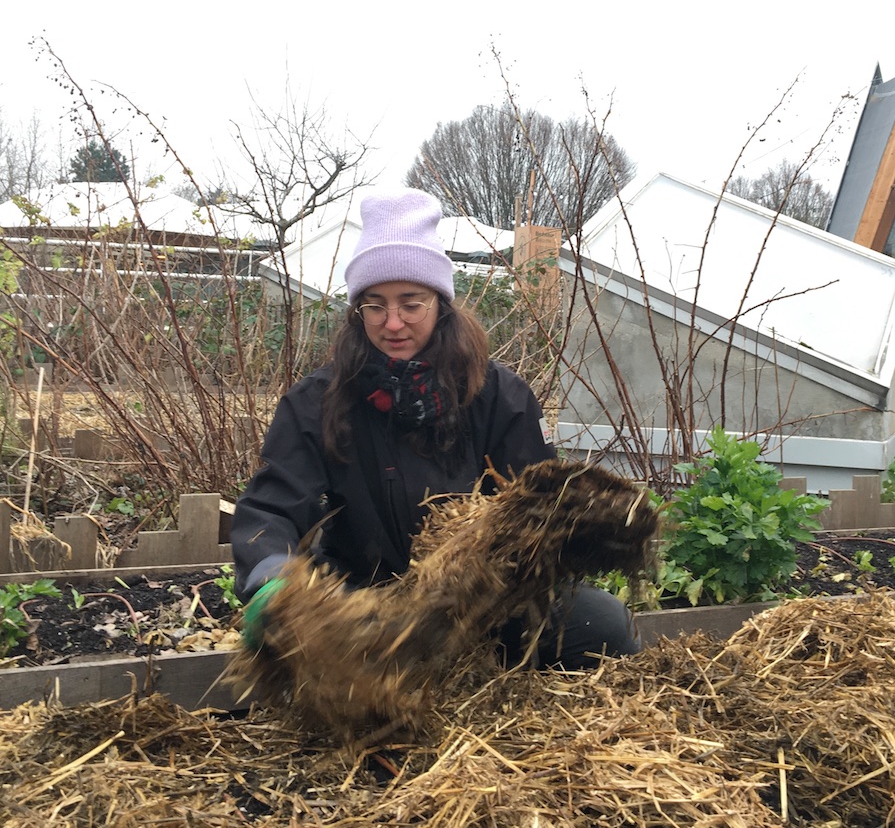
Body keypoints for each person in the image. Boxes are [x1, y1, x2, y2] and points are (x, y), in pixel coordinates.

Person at [231, 186, 638, 670]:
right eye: (374, 305)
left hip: (486, 601)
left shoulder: (497, 396)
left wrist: (576, 529)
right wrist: (271, 578)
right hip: (367, 604)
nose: (393, 323)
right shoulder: (317, 403)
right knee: (335, 655)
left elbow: (537, 506)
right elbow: (273, 505)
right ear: (356, 310)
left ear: (440, 303)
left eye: (411, 302)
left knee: (603, 625)